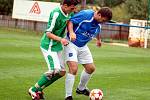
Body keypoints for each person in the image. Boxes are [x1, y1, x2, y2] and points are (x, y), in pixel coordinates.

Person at [28, 0, 79, 100]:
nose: (73, 10)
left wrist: (71, 32)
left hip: (57, 46)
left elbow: (69, 22)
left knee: (62, 72)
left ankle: (39, 89)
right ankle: (33, 90)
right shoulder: (56, 13)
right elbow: (48, 33)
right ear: (65, 5)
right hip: (48, 45)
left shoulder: (69, 12)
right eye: (72, 8)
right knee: (54, 70)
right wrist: (61, 39)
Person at [64, 7, 112, 100]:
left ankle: (81, 89)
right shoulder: (86, 14)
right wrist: (71, 32)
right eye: (103, 20)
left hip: (82, 46)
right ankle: (68, 96)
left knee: (91, 68)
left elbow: (98, 31)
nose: (103, 22)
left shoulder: (98, 24)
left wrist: (98, 40)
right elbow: (70, 21)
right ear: (99, 14)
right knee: (73, 68)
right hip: (71, 43)